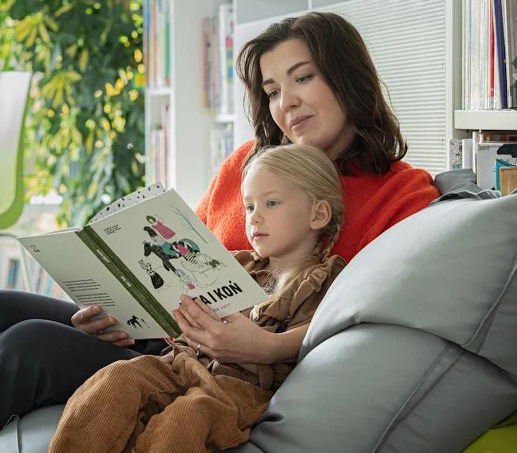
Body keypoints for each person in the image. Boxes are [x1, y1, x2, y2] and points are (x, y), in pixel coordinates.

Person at [0, 11, 438, 453]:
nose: (285, 102)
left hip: (223, 368)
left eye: (303, 78)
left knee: (25, 348)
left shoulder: (402, 193)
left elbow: (379, 315)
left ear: (347, 79)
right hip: (163, 336)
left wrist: (264, 344)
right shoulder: (249, 164)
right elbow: (179, 264)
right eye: (270, 90)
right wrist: (120, 312)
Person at [48, 144, 348, 452]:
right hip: (183, 364)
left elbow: (317, 339)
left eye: (271, 203)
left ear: (318, 214)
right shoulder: (234, 263)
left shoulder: (323, 279)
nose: (255, 218)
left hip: (239, 388)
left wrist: (261, 347)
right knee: (116, 378)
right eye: (249, 207)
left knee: (186, 417)